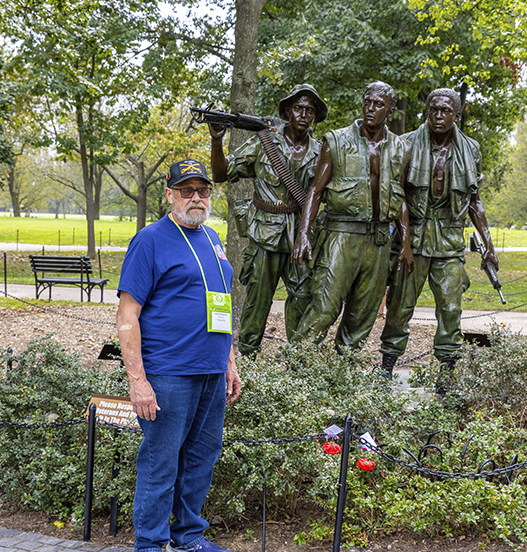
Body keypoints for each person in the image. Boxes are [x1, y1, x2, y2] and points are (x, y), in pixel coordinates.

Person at [116, 158, 242, 552]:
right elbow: (127, 316)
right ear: (169, 194)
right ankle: (148, 546)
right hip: (168, 372)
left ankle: (186, 537)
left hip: (210, 371)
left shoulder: (213, 239)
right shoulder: (150, 241)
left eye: (202, 191)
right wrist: (138, 380)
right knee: (160, 460)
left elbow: (221, 305)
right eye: (186, 190)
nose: (195, 198)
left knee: (201, 458)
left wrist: (229, 360)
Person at [379, 88, 497, 379]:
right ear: (427, 112)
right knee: (399, 305)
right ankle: (386, 367)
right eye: (434, 110)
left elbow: (474, 199)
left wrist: (488, 243)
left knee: (450, 308)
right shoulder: (406, 144)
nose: (439, 116)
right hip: (414, 236)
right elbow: (399, 195)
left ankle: (447, 372)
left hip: (450, 237)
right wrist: (404, 243)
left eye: (446, 111)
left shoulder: (470, 149)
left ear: (456, 115)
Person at [291, 81, 412, 351]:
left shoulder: (401, 148)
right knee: (324, 307)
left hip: (379, 241)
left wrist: (405, 243)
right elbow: (316, 191)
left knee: (362, 316)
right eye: (367, 102)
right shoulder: (336, 140)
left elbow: (400, 195)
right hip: (341, 236)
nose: (371, 109)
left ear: (390, 110)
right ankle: (294, 372)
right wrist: (303, 234)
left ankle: (342, 382)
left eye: (379, 104)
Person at [209, 84, 329, 356]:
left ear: (315, 116)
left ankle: (299, 362)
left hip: (301, 234)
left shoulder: (321, 151)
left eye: (309, 110)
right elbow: (221, 174)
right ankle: (247, 359)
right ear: (288, 111)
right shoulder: (264, 142)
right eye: (298, 108)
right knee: (257, 301)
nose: (303, 114)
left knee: (302, 299)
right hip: (265, 232)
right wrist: (217, 141)